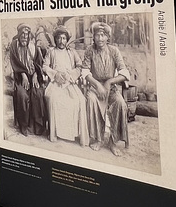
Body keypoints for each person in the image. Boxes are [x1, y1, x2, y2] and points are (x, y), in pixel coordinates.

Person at [83, 21, 130, 156]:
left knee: (120, 103)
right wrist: (98, 85)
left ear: (108, 37)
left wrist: (109, 82)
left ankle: (113, 142)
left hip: (111, 88)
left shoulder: (114, 51)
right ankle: (98, 138)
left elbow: (124, 72)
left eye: (103, 35)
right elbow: (85, 72)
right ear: (94, 37)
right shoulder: (89, 51)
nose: (100, 39)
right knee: (91, 100)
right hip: (95, 87)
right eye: (97, 35)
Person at [43, 26, 88, 146]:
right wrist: (55, 74)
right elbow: (45, 66)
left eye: (64, 38)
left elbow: (80, 66)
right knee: (54, 99)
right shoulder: (51, 52)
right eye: (59, 38)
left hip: (69, 82)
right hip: (55, 82)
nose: (61, 41)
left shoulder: (72, 52)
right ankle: (54, 133)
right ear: (56, 39)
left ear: (67, 40)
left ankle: (77, 134)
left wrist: (71, 76)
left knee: (80, 101)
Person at [9, 22, 45, 137]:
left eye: (27, 34)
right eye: (22, 34)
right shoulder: (14, 46)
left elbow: (38, 63)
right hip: (20, 77)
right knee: (22, 95)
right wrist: (23, 75)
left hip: (33, 76)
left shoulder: (33, 46)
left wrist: (35, 75)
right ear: (19, 34)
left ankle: (38, 125)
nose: (25, 36)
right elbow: (14, 62)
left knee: (38, 93)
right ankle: (23, 125)